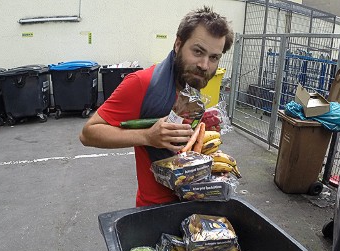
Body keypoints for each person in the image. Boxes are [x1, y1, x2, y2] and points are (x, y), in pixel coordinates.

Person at [79, 6, 234, 207]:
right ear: (178, 44)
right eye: (197, 51)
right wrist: (147, 136)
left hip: (195, 199)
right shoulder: (142, 83)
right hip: (155, 209)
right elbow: (88, 133)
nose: (205, 65)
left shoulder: (192, 87)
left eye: (214, 57)